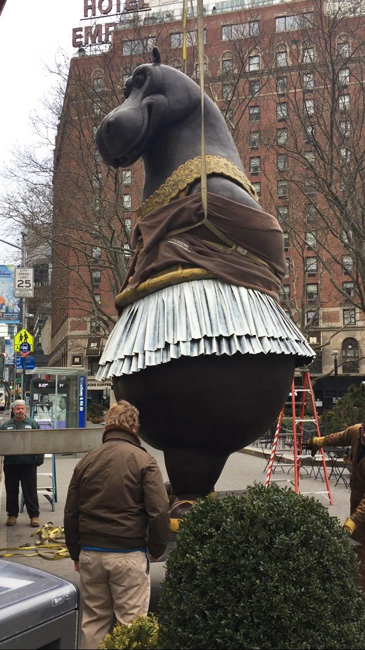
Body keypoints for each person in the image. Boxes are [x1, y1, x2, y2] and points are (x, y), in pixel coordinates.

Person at [64, 399, 170, 650]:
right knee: (131, 627)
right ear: (134, 427)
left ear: (107, 426)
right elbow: (159, 511)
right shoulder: (144, 461)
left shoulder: (87, 461)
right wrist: (157, 548)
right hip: (128, 554)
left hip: (91, 553)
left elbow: (70, 512)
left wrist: (75, 552)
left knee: (94, 622)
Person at [307, 419, 365, 588]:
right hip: (357, 500)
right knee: (358, 547)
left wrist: (353, 520)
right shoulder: (355, 432)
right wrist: (319, 441)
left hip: (362, 509)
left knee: (360, 552)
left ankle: (359, 596)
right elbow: (339, 437)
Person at [1, 399, 44, 527]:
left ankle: (34, 516)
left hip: (28, 463)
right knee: (11, 490)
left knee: (30, 490)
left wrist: (40, 457)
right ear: (13, 410)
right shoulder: (6, 425)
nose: (20, 411)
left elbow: (39, 441)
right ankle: (12, 515)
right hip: (11, 464)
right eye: (17, 408)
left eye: (22, 408)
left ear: (25, 409)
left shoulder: (33, 424)